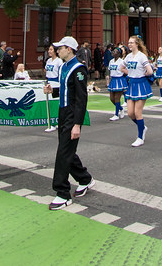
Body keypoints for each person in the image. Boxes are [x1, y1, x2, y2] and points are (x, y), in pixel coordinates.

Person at [45, 36, 94, 210]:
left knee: (63, 153)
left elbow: (81, 99)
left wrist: (77, 124)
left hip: (72, 114)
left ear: (70, 49)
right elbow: (67, 90)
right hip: (62, 111)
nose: (57, 50)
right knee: (67, 150)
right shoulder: (64, 67)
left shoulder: (78, 69)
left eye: (61, 47)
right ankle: (85, 178)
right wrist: (53, 91)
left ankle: (62, 193)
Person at [124, 35, 154, 147]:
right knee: (130, 113)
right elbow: (122, 67)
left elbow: (150, 71)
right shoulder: (128, 57)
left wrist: (142, 74)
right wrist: (130, 73)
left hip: (141, 84)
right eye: (129, 42)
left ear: (137, 44)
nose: (129, 44)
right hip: (132, 84)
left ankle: (140, 137)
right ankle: (143, 127)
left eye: (131, 42)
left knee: (137, 112)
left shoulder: (142, 56)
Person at [43, 45, 62, 132]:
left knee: (55, 104)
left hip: (56, 84)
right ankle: (53, 122)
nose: (49, 51)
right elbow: (46, 72)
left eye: (51, 49)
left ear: (55, 51)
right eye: (49, 49)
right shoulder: (48, 61)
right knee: (49, 103)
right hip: (49, 83)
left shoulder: (59, 61)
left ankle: (54, 123)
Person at [106, 48, 127, 120]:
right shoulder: (111, 61)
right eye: (113, 51)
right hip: (113, 80)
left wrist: (123, 77)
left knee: (117, 98)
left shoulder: (122, 62)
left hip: (119, 80)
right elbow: (109, 71)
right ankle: (121, 108)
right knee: (112, 98)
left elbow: (126, 70)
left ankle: (116, 114)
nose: (113, 52)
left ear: (118, 54)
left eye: (115, 52)